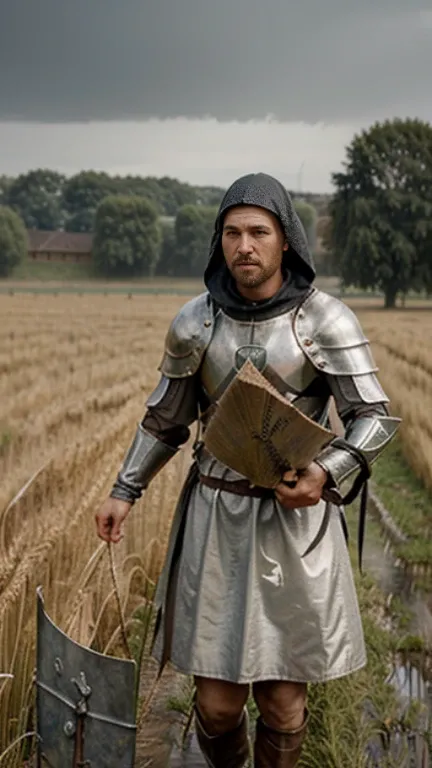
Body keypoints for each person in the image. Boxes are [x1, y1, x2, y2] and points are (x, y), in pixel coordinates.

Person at [96, 173, 399, 768]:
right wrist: (122, 490)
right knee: (216, 706)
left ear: (286, 241)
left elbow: (375, 419)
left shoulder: (325, 321)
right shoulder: (195, 322)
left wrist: (326, 472)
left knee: (284, 704)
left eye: (259, 232)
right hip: (217, 520)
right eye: (232, 232)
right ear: (220, 241)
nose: (245, 246)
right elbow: (165, 420)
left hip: (294, 525)